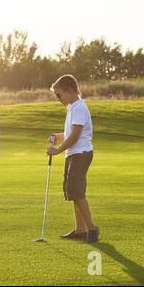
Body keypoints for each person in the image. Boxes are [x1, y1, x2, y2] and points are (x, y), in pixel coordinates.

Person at [47, 74, 100, 243]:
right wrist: (58, 136)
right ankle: (80, 230)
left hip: (80, 153)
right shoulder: (72, 108)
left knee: (77, 191)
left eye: (59, 94)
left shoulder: (79, 108)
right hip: (73, 154)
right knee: (72, 192)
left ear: (70, 90)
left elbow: (76, 136)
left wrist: (57, 150)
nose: (58, 98)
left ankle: (92, 228)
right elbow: (70, 134)